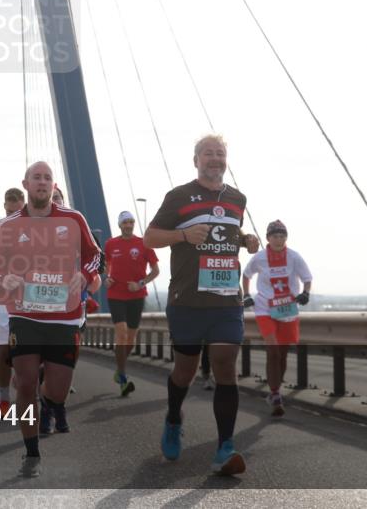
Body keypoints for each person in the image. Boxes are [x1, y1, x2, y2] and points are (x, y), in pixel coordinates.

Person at [143, 134, 259, 476]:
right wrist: (183, 235)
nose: (215, 158)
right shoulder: (179, 196)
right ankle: (173, 419)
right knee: (185, 371)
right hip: (188, 301)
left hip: (226, 302)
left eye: (220, 153)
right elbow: (150, 237)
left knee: (225, 364)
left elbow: (229, 233)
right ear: (196, 160)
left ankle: (225, 447)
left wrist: (246, 240)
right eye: (208, 153)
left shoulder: (237, 198)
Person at [0, 162, 103, 478]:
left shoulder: (73, 219)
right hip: (25, 314)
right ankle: (31, 452)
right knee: (26, 383)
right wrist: (2, 279)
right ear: (26, 184)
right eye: (36, 177)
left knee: (57, 392)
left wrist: (84, 274)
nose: (42, 182)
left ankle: (50, 404)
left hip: (64, 318)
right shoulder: (9, 226)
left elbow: (95, 256)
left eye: (47, 178)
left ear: (53, 185)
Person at [242, 219, 313, 416]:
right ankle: (275, 394)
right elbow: (246, 275)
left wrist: (305, 293)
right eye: (275, 236)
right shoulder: (259, 258)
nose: (278, 239)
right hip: (264, 308)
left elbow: (307, 278)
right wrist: (246, 295)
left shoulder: (294, 257)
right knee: (273, 350)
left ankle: (275, 390)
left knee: (282, 354)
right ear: (268, 238)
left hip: (287, 309)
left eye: (282, 236)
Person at [104, 210, 159, 397]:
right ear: (119, 225)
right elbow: (106, 265)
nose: (128, 225)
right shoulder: (111, 244)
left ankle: (119, 370)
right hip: (115, 295)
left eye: (131, 222)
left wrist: (140, 284)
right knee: (122, 334)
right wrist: (107, 278)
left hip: (137, 296)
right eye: (125, 222)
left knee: (130, 339)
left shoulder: (144, 244)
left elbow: (155, 271)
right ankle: (123, 378)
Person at [0, 188, 25, 414]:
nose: (13, 216)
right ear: (4, 207)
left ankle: (27, 394)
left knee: (30, 348)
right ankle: (4, 398)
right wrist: (0, 281)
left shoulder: (38, 229)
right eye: (10, 212)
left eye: (17, 211)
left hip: (30, 299)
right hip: (2, 299)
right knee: (5, 349)